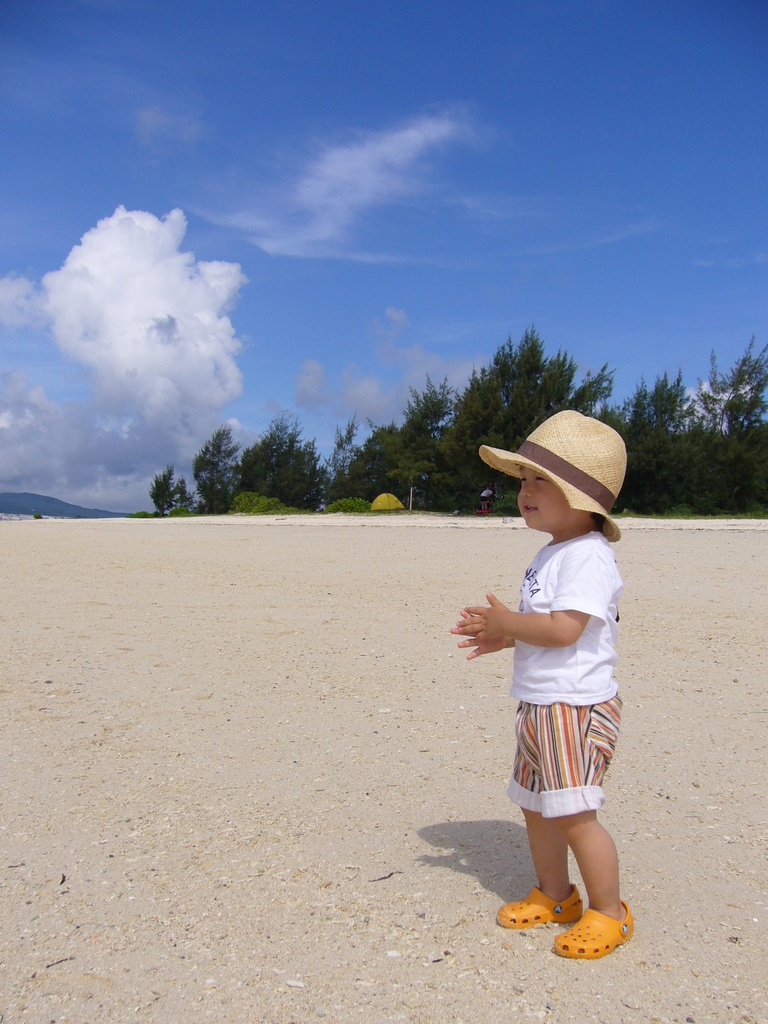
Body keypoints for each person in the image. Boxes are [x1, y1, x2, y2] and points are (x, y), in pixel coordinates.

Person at [451, 410, 633, 959]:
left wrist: (510, 624)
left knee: (575, 813)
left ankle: (609, 911)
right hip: (539, 705)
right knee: (536, 804)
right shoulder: (554, 551)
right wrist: (507, 637)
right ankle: (557, 895)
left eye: (540, 481)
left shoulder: (590, 557)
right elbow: (549, 628)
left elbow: (565, 628)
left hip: (573, 708)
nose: (524, 491)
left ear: (582, 497)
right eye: (523, 480)